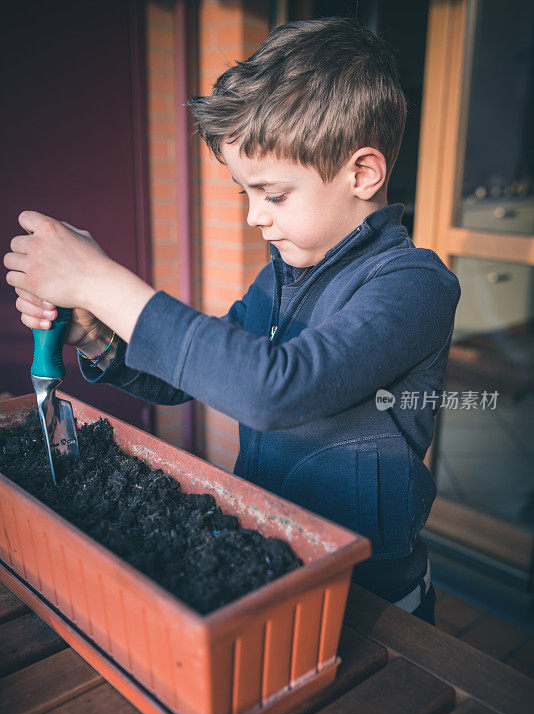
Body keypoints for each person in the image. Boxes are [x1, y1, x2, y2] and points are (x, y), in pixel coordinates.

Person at [4, 17, 460, 624]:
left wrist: (102, 281)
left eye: (273, 195)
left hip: (372, 605)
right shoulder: (280, 275)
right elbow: (192, 375)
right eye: (244, 195)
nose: (254, 218)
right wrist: (104, 338)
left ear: (363, 173)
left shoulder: (414, 287)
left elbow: (277, 387)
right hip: (276, 571)